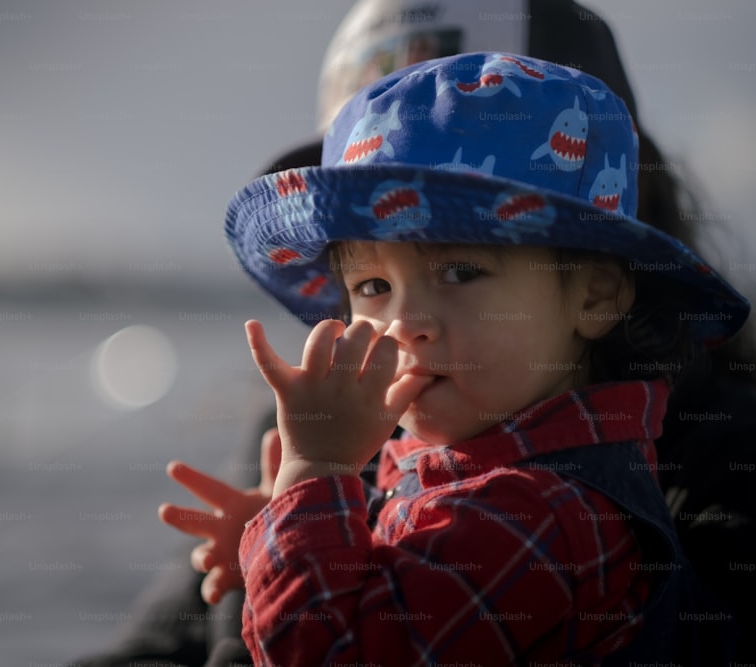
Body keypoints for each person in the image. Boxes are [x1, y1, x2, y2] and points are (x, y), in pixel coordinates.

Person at [70, 2, 756, 665]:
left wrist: (312, 487)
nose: (406, 323)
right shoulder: (358, 431)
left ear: (597, 288)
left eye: (461, 268)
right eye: (372, 286)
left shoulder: (550, 508)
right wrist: (272, 535)